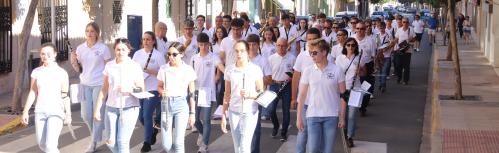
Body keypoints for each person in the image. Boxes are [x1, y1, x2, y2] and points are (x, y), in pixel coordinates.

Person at [93, 38, 145, 153]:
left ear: (128, 51)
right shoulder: (109, 66)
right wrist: (97, 109)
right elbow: (104, 89)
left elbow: (141, 89)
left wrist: (129, 89)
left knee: (122, 142)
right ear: (114, 50)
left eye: (123, 49)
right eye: (117, 49)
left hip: (129, 108)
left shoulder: (134, 66)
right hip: (111, 108)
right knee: (110, 142)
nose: (120, 52)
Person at [296, 39, 347, 153]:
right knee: (313, 149)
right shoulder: (308, 71)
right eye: (310, 53)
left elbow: (344, 95)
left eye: (314, 53)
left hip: (331, 115)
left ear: (324, 52)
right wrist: (299, 117)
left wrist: (342, 117)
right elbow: (302, 95)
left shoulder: (337, 70)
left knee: (327, 150)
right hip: (313, 115)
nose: (312, 56)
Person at [21, 43, 71, 153]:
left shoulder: (62, 73)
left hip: (56, 111)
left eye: (48, 54)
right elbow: (33, 92)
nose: (45, 56)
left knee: (50, 145)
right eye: (43, 54)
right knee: (42, 144)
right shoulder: (36, 72)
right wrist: (25, 112)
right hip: (40, 111)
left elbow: (65, 95)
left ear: (54, 54)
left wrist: (68, 114)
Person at [70, 22, 111, 153]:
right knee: (85, 115)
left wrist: (109, 85)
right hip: (84, 84)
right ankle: (97, 132)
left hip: (99, 84)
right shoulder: (80, 48)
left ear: (97, 33)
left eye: (92, 31)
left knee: (96, 113)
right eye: (87, 31)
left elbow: (108, 67)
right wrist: (73, 61)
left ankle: (93, 142)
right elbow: (79, 69)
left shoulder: (103, 48)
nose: (89, 33)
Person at [220, 40, 265, 153]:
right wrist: (224, 114)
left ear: (247, 52)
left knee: (245, 147)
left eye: (242, 51)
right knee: (238, 147)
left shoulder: (255, 69)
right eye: (236, 51)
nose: (239, 54)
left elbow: (261, 93)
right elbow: (227, 93)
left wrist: (250, 95)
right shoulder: (229, 69)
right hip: (234, 111)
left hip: (250, 112)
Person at [157, 42, 197, 153]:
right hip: (166, 104)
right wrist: (161, 91)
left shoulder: (188, 69)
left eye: (174, 54)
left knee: (179, 142)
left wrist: (192, 113)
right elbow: (159, 86)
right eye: (168, 54)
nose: (171, 57)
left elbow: (192, 92)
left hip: (181, 104)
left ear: (182, 54)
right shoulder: (163, 68)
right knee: (166, 144)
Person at [190, 33, 225, 152]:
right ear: (198, 45)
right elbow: (188, 74)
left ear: (209, 44)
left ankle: (204, 145)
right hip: (195, 91)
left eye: (205, 44)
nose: (203, 47)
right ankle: (202, 133)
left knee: (206, 120)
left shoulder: (213, 57)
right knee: (194, 119)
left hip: (207, 91)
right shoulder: (193, 58)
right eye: (201, 45)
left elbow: (220, 66)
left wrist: (227, 73)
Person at [132, 31, 166, 152]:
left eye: (148, 39)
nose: (145, 42)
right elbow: (132, 70)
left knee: (147, 115)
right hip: (140, 89)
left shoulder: (158, 55)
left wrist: (153, 72)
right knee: (141, 117)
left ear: (153, 41)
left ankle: (146, 143)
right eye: (144, 39)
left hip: (153, 89)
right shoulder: (137, 54)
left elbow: (164, 73)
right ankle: (153, 130)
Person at [291, 28, 322, 153]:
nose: (311, 42)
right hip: (305, 102)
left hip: (320, 103)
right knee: (303, 132)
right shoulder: (302, 56)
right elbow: (295, 77)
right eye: (309, 39)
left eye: (314, 39)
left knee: (317, 136)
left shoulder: (327, 56)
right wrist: (294, 98)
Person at [335, 38, 365, 148]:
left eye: (353, 45)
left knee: (352, 115)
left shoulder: (358, 58)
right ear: (345, 46)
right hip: (342, 89)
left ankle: (350, 136)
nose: (351, 47)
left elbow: (363, 73)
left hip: (355, 89)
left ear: (356, 46)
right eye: (348, 45)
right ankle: (345, 131)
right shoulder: (339, 58)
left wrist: (360, 71)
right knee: (343, 114)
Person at [246, 34, 272, 153]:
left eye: (254, 44)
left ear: (258, 45)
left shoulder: (262, 60)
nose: (251, 47)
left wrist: (257, 81)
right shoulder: (243, 59)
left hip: (257, 96)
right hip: (243, 96)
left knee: (256, 128)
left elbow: (269, 78)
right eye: (249, 44)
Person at [268, 38, 296, 142]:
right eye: (278, 45)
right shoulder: (271, 58)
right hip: (274, 85)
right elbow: (268, 73)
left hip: (287, 86)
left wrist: (292, 78)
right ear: (276, 46)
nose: (280, 47)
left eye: (283, 45)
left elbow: (296, 73)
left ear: (287, 46)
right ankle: (276, 125)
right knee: (271, 109)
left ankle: (283, 133)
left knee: (286, 111)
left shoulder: (292, 58)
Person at [354, 22, 376, 116]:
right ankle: (355, 107)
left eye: (362, 29)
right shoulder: (352, 39)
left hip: (367, 66)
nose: (359, 30)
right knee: (356, 88)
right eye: (358, 28)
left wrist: (374, 67)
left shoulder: (370, 40)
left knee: (366, 88)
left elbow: (373, 55)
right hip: (354, 67)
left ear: (365, 29)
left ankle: (363, 107)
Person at [392, 17, 416, 85]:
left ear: (408, 23)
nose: (405, 23)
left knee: (406, 67)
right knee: (398, 65)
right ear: (402, 23)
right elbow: (396, 38)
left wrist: (410, 40)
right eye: (404, 22)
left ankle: (405, 80)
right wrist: (392, 44)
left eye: (406, 22)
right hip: (399, 50)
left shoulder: (411, 29)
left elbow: (414, 39)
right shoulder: (399, 30)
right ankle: (399, 77)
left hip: (408, 51)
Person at [212, 26, 229, 112]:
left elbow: (223, 58)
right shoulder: (213, 46)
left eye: (221, 32)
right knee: (217, 90)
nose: (219, 33)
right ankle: (219, 109)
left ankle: (224, 109)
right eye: (217, 31)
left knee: (223, 90)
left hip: (224, 68)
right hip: (214, 69)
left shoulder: (227, 43)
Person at [376, 22, 393, 93]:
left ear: (385, 27)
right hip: (379, 56)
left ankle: (383, 85)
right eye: (380, 28)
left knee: (384, 71)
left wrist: (387, 48)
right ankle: (380, 84)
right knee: (380, 71)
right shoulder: (376, 36)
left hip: (386, 56)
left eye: (382, 28)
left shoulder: (388, 35)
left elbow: (392, 44)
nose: (381, 29)